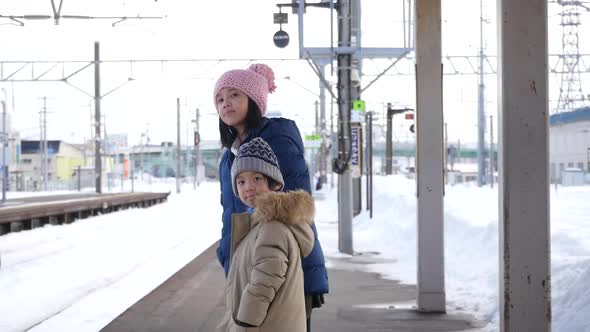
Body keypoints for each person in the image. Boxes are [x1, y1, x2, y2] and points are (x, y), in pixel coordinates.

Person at [214, 63, 329, 330]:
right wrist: (226, 252)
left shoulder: (276, 137)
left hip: (280, 260)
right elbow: (229, 212)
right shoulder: (228, 157)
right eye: (220, 99)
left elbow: (294, 202)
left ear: (253, 100)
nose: (225, 104)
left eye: (234, 95)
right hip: (245, 262)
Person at [215, 137, 315, 332]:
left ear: (273, 182)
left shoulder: (272, 227)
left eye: (257, 178)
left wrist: (243, 324)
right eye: (241, 181)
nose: (248, 187)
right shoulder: (260, 224)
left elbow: (264, 282)